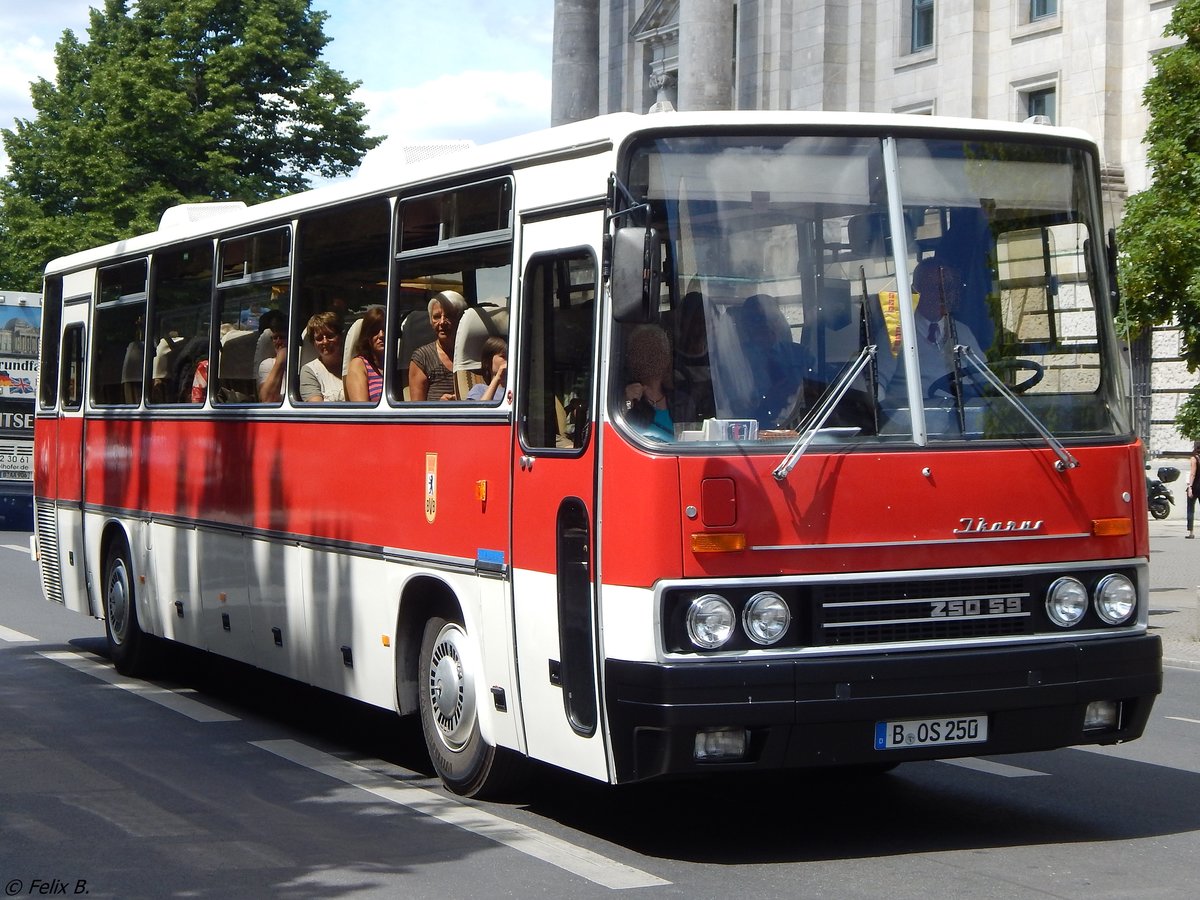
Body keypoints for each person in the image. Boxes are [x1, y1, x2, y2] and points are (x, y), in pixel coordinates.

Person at [904, 258, 983, 398]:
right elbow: (877, 387)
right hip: (918, 417)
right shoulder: (898, 334)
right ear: (915, 291)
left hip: (966, 413)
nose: (942, 295)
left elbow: (984, 375)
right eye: (933, 288)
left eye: (947, 287)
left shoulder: (962, 331)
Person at [408, 291, 465, 401]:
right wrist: (440, 405)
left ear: (461, 318)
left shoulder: (474, 353)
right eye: (437, 317)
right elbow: (416, 411)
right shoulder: (422, 358)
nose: (442, 322)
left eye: (448, 315)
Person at [624, 323, 674, 441]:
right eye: (641, 351)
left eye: (656, 351)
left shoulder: (682, 401)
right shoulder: (617, 397)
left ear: (666, 357)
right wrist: (626, 403)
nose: (649, 359)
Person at [299, 311, 345, 402]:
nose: (325, 342)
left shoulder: (355, 365)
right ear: (313, 343)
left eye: (330, 336)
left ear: (340, 337)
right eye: (319, 338)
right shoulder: (309, 371)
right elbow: (317, 411)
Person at [345, 307, 385, 403]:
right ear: (367, 335)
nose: (381, 335)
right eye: (375, 331)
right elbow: (362, 410)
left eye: (385, 329)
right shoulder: (358, 365)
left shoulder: (395, 364)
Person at [467, 336, 508, 401]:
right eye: (503, 356)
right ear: (488, 361)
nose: (508, 360)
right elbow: (481, 410)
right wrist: (498, 378)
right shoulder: (479, 389)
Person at [258, 318, 287, 403]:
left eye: (282, 337)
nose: (278, 342)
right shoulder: (267, 364)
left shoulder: (303, 363)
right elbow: (268, 400)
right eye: (275, 338)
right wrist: (280, 361)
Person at [1187, 441, 1200, 539]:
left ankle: (1191, 532)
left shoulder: (1194, 459)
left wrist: (1190, 487)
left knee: (1191, 509)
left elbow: (1193, 474)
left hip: (1195, 486)